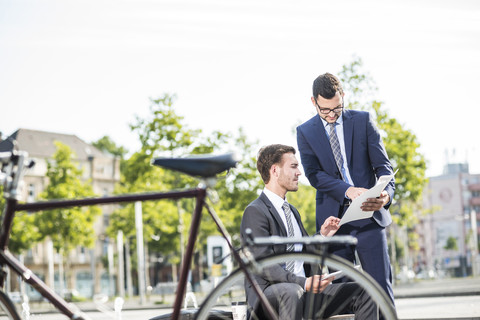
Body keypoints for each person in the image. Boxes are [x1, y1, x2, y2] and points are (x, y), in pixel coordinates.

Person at [240, 144, 377, 320]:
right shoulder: (256, 211)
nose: (299, 172)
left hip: (302, 291)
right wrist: (303, 283)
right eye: (293, 166)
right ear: (275, 171)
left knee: (366, 290)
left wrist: (322, 236)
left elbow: (303, 254)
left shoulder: (292, 211)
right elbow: (264, 264)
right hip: (271, 294)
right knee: (292, 291)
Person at [296, 72, 395, 303]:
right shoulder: (305, 132)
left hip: (370, 217)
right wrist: (346, 189)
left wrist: (385, 197)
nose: (331, 115)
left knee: (380, 288)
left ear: (343, 96)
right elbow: (313, 174)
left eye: (337, 108)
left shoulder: (363, 121)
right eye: (325, 110)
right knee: (342, 294)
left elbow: (384, 168)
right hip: (333, 223)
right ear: (314, 102)